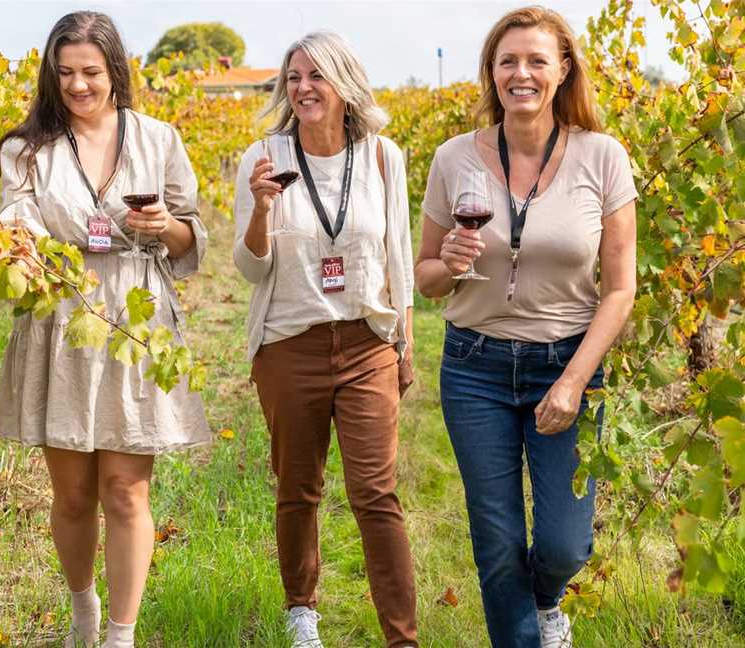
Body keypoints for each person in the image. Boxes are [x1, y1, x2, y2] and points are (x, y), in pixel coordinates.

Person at [415, 7, 636, 648]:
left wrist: (573, 381)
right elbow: (427, 281)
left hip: (566, 364)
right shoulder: (454, 157)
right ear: (492, 71)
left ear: (563, 70)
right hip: (473, 367)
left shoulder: (603, 156)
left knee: (565, 544)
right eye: (508, 60)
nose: (522, 73)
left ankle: (547, 601)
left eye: (537, 60)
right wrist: (448, 265)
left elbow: (620, 290)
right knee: (498, 541)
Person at [0, 11, 209, 648]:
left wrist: (162, 227)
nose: (78, 86)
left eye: (90, 72)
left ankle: (120, 635)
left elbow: (191, 234)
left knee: (125, 487)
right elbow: (16, 218)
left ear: (116, 71)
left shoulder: (158, 139)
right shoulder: (26, 148)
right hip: (64, 315)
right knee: (72, 492)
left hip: (135, 314)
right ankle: (82, 607)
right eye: (65, 74)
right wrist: (22, 243)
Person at [233, 31, 418, 648]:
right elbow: (250, 267)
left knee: (376, 493)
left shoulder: (383, 157)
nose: (304, 88)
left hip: (367, 343)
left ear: (344, 86)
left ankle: (401, 635)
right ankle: (301, 612)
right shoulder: (263, 155)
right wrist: (261, 209)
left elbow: (399, 254)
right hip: (290, 344)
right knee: (299, 487)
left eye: (317, 76)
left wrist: (405, 340)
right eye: (294, 78)